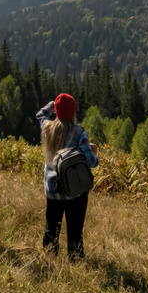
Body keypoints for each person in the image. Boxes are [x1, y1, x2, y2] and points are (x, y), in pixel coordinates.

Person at [36, 93, 99, 260]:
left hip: (52, 189)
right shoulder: (79, 133)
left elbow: (41, 113)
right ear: (74, 112)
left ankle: (50, 259)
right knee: (75, 230)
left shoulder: (47, 128)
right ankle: (75, 261)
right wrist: (94, 152)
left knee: (51, 229)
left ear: (56, 111)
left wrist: (55, 104)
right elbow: (92, 162)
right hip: (75, 191)